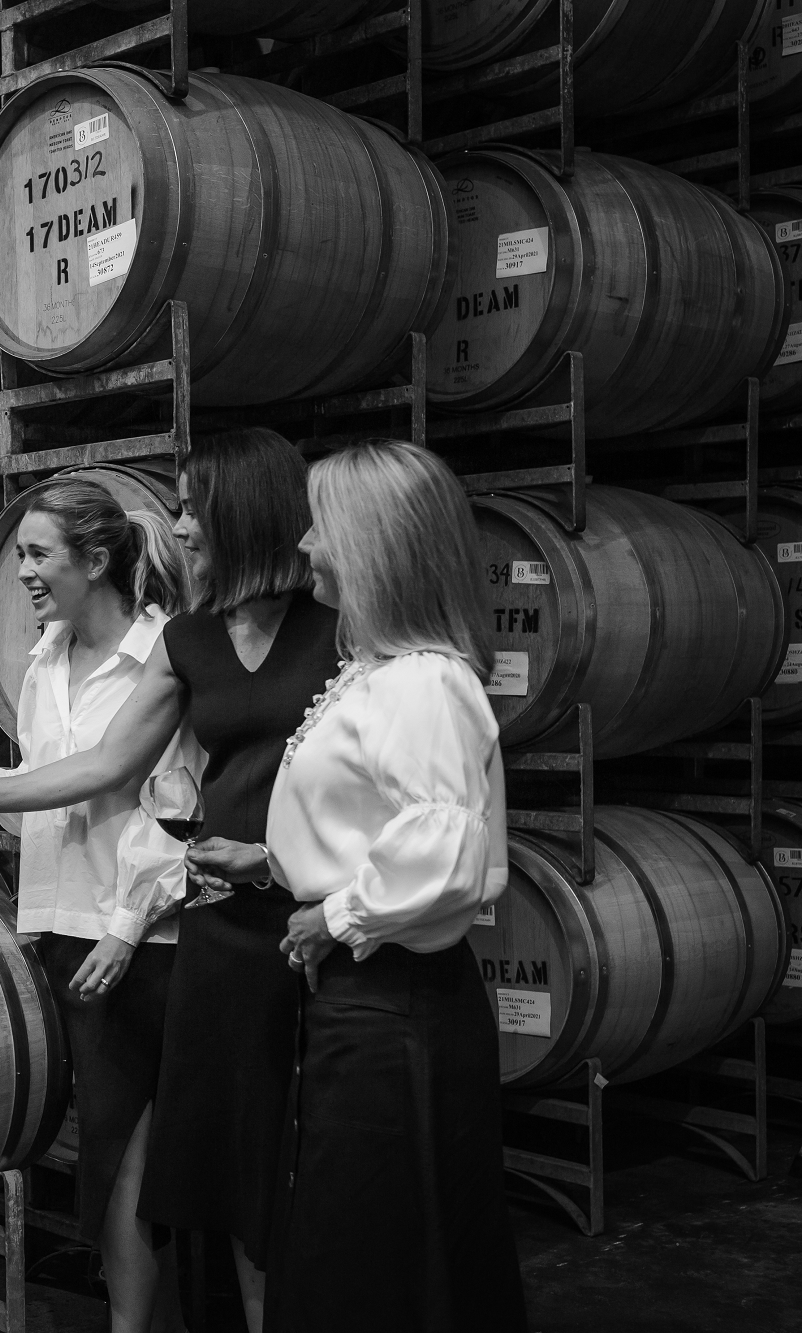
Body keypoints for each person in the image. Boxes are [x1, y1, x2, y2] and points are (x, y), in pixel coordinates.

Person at [0, 429, 339, 1332]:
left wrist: (126, 915)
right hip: (171, 922)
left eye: (193, 508)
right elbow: (93, 773)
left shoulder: (301, 635)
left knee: (266, 1155)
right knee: (169, 1156)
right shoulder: (161, 645)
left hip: (264, 920)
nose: (178, 526)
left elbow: (157, 794)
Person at [262, 440, 526, 1332]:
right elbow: (374, 819)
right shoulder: (381, 671)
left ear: (377, 543)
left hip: (395, 1003)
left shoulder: (423, 681)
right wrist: (274, 859)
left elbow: (443, 851)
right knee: (363, 1238)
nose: (305, 544)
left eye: (321, 526)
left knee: (380, 1246)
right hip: (370, 996)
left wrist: (333, 914)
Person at [0, 483, 199, 1333]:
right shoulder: (45, 658)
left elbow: (175, 808)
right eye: (18, 554)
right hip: (57, 928)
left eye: (39, 554)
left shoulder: (161, 655)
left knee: (127, 1155)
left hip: (138, 939)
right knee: (105, 1153)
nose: (23, 571)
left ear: (96, 559)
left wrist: (125, 926)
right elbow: (44, 805)